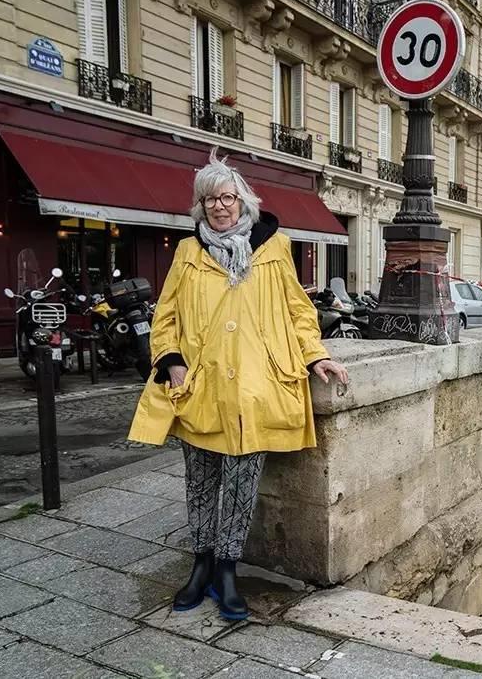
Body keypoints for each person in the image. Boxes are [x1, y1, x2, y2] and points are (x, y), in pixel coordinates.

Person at [128, 149, 349, 621]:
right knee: (201, 482)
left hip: (255, 388)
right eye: (210, 200)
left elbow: (297, 312)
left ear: (242, 200)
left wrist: (317, 356)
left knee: (241, 483)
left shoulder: (274, 248)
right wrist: (170, 361)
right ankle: (201, 563)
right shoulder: (188, 253)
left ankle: (226, 568)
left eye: (227, 197)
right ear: (200, 206)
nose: (220, 206)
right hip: (201, 388)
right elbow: (164, 317)